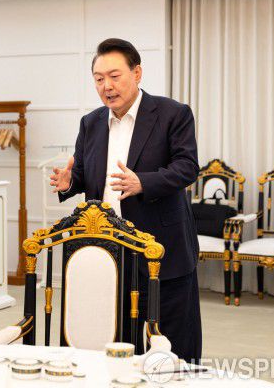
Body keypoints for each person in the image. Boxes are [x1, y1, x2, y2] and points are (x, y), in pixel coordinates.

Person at [50, 38, 201, 361]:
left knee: (175, 346)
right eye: (99, 78)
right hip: (110, 255)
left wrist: (143, 182)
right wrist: (69, 182)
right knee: (119, 343)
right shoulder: (90, 123)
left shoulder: (173, 113)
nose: (107, 86)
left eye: (114, 76)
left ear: (137, 73)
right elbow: (84, 173)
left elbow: (187, 167)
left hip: (162, 250)